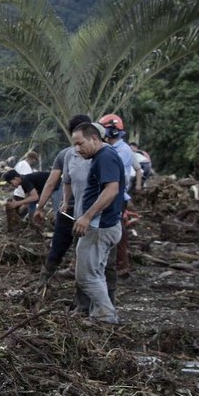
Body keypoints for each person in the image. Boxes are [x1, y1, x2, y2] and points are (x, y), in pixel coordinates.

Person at [69, 122, 126, 323]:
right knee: (96, 273)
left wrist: (87, 216)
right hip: (105, 225)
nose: (77, 149)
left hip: (99, 227)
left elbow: (111, 190)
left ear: (94, 139)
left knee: (85, 276)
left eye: (80, 143)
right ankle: (100, 315)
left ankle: (105, 315)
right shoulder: (104, 156)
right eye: (74, 145)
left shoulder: (105, 157)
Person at [32, 114, 95, 286]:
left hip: (72, 211)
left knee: (58, 248)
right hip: (86, 213)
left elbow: (52, 182)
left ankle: (43, 282)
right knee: (83, 253)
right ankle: (80, 292)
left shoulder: (65, 154)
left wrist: (40, 207)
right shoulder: (99, 154)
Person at [99, 114, 135, 277]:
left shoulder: (122, 150)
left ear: (113, 131)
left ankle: (121, 265)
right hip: (113, 194)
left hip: (117, 196)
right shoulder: (112, 149)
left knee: (117, 229)